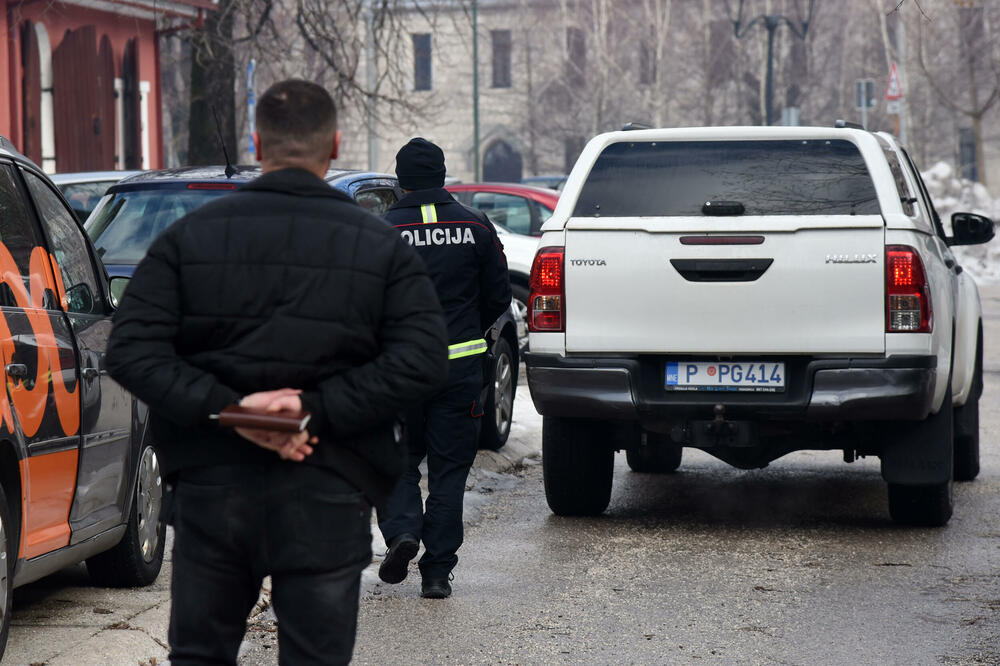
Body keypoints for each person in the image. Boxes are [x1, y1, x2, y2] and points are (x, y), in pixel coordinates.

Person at [105, 81, 448, 665]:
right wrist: (310, 411)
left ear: (257, 141)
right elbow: (423, 360)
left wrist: (233, 411)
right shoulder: (378, 245)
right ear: (335, 145)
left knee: (200, 655)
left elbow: (131, 350)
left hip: (213, 487)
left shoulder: (189, 238)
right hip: (330, 484)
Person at [377, 138, 511, 599]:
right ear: (442, 175)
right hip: (460, 371)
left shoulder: (381, 231)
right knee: (450, 471)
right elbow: (498, 296)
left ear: (400, 180)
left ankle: (402, 535)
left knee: (396, 462)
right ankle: (436, 573)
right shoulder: (475, 226)